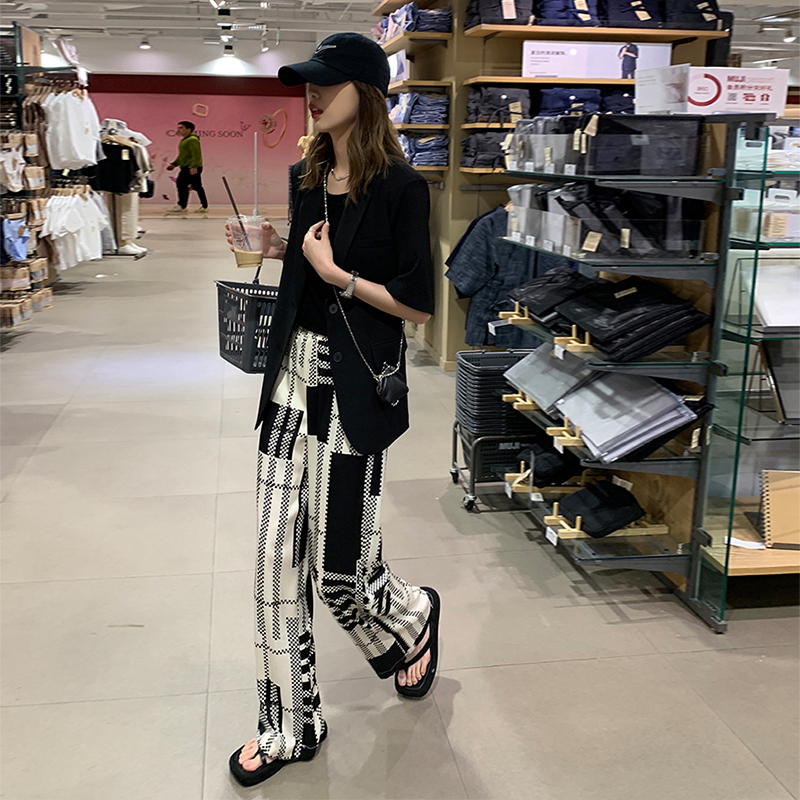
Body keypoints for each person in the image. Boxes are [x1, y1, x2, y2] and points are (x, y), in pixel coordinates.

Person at [224, 32, 441, 788]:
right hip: (292, 382)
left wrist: (335, 274)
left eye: (326, 83)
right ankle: (290, 725)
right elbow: (307, 267)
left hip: (354, 393)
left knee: (342, 570)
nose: (312, 95)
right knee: (273, 562)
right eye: (307, 84)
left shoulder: (404, 188)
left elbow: (417, 305)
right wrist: (277, 246)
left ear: (365, 93)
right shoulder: (307, 176)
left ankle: (411, 618)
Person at [166, 120, 208, 213]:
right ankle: (203, 206)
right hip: (187, 166)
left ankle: (182, 205)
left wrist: (194, 166)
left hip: (191, 167)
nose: (178, 130)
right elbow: (183, 155)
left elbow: (196, 154)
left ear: (189, 129)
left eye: (181, 128)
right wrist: (174, 164)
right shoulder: (185, 140)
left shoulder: (192, 140)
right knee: (195, 186)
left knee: (183, 185)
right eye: (178, 128)